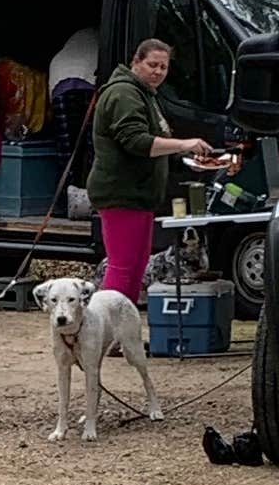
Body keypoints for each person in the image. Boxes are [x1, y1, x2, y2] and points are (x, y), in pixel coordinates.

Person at [84, 35, 225, 306]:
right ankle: (104, 330)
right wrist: (184, 143)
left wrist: (186, 153)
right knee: (122, 267)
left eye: (164, 67)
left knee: (137, 269)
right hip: (121, 193)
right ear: (136, 62)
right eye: (152, 65)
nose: (158, 72)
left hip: (140, 195)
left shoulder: (145, 94)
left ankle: (123, 334)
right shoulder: (124, 93)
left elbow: (157, 141)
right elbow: (136, 141)